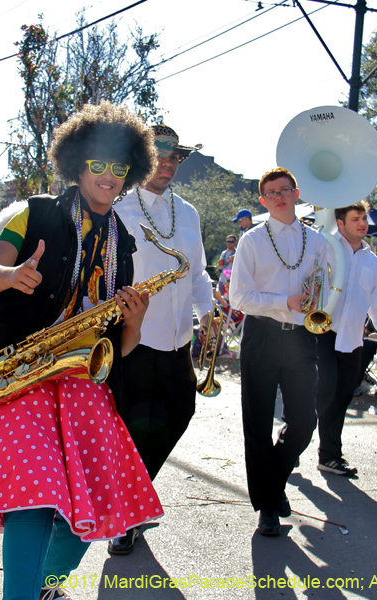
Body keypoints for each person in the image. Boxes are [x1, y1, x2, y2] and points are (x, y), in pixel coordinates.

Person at [0, 101, 161, 600]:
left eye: (120, 167)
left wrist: (134, 323)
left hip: (83, 380)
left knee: (91, 505)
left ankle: (43, 588)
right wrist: (12, 275)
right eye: (99, 163)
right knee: (33, 501)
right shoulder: (38, 211)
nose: (109, 175)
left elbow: (119, 345)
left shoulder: (124, 241)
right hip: (24, 371)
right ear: (77, 165)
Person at [110, 124, 213, 554]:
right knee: (132, 429)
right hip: (136, 341)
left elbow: (200, 272)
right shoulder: (118, 210)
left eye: (174, 158)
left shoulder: (188, 212)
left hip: (178, 341)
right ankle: (127, 516)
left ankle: (133, 497)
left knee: (181, 411)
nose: (168, 163)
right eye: (160, 155)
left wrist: (209, 312)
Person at [229, 166, 328, 537]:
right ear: (262, 200)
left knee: (304, 422)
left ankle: (274, 484)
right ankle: (268, 507)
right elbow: (239, 296)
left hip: (302, 336)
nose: (279, 197)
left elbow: (326, 287)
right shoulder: (252, 240)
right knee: (256, 424)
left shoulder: (317, 241)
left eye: (285, 190)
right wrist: (283, 302)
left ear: (296, 192)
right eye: (271, 193)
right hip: (262, 335)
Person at [314, 201, 377, 477]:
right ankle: (293, 438)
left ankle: (330, 456)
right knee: (322, 392)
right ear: (341, 222)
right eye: (356, 218)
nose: (362, 223)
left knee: (341, 397)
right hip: (321, 334)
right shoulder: (323, 247)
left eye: (364, 218)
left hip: (352, 340)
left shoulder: (371, 261)